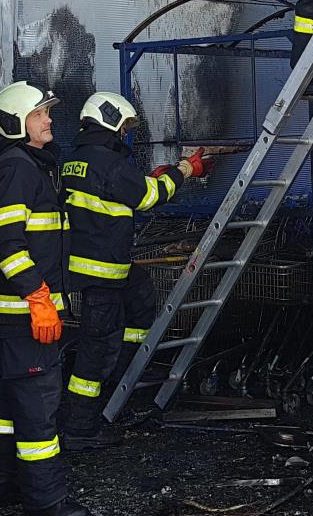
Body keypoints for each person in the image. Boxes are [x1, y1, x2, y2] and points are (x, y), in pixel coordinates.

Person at [59, 93, 206, 448]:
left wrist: (148, 180)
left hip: (99, 264)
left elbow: (125, 190)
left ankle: (127, 370)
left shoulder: (77, 159)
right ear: (109, 121)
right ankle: (81, 426)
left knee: (141, 297)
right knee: (98, 346)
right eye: (124, 126)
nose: (126, 132)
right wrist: (185, 169)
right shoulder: (109, 163)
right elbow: (149, 197)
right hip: (103, 271)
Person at [0, 81, 91, 516]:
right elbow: (7, 242)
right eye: (40, 113)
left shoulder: (33, 166)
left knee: (9, 411)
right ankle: (46, 499)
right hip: (24, 317)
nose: (49, 119)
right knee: (37, 411)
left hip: (25, 315)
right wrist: (37, 296)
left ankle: (7, 484)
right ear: (16, 122)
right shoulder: (18, 170)